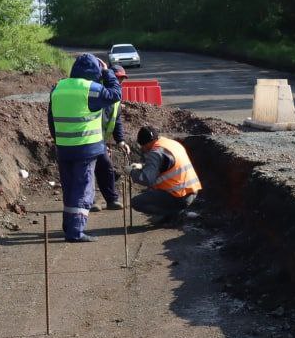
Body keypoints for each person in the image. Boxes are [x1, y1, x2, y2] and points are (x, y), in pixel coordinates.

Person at [47, 53, 122, 242]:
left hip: (64, 147)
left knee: (70, 188)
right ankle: (76, 232)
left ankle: (68, 227)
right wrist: (107, 73)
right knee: (83, 190)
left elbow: (51, 118)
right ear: (94, 72)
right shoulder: (91, 89)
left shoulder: (58, 88)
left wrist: (58, 140)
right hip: (86, 149)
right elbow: (116, 94)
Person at [128, 126, 201, 225]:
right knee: (152, 189)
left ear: (146, 143)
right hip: (191, 192)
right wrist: (141, 166)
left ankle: (175, 213)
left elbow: (146, 179)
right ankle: (173, 213)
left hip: (179, 197)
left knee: (136, 202)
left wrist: (131, 172)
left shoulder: (155, 153)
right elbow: (166, 164)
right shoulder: (170, 143)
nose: (143, 149)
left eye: (143, 146)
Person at [91, 64, 130, 211]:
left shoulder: (115, 98)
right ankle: (91, 201)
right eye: (118, 78)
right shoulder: (97, 94)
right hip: (89, 139)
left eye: (122, 79)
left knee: (105, 167)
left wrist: (120, 140)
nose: (120, 82)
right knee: (90, 169)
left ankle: (111, 200)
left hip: (99, 141)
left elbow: (116, 120)